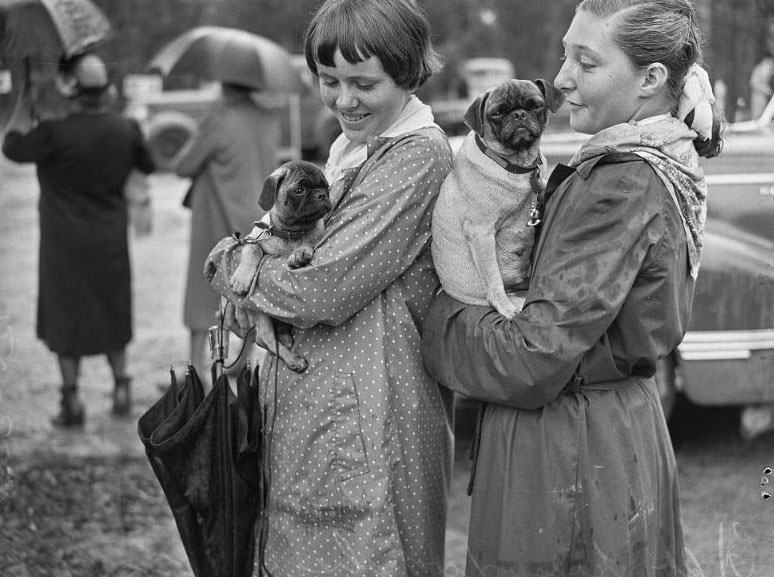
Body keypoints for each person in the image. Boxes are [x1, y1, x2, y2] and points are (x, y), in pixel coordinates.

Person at [421, 1, 725, 576]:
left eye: (585, 62)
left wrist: (436, 315)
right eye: (565, 55)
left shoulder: (620, 185)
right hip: (592, 435)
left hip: (571, 455)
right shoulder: (646, 157)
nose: (560, 80)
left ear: (653, 79)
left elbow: (529, 357)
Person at [213, 0, 454, 574]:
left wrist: (226, 264)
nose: (344, 99)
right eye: (329, 81)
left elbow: (318, 291)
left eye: (364, 83)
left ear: (409, 73)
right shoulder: (355, 149)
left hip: (375, 418)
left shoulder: (416, 156)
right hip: (331, 412)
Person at [2, 53, 156, 427]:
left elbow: (11, 147)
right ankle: (121, 388)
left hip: (62, 246)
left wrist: (24, 100)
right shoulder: (126, 129)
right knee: (112, 311)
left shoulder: (52, 135)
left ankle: (71, 402)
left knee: (65, 317)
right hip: (109, 241)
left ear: (73, 93)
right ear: (106, 92)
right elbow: (149, 164)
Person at [173, 82, 280, 379]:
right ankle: (241, 362)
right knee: (250, 291)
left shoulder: (218, 120)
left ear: (225, 85)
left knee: (202, 293)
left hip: (217, 218)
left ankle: (196, 368)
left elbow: (183, 166)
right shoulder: (268, 118)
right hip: (258, 219)